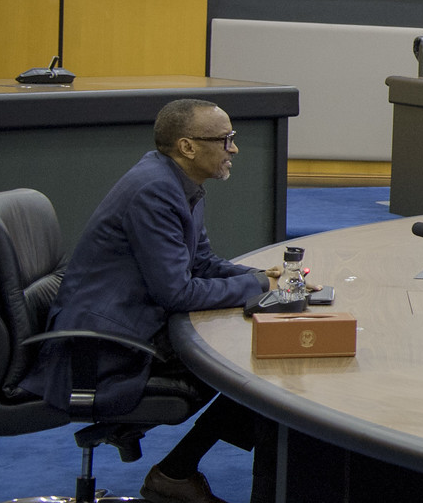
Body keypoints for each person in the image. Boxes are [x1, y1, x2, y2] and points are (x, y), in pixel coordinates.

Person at [23, 99, 305, 503]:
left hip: (130, 322)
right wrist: (257, 287)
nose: (234, 148)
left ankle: (175, 473)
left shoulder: (178, 183)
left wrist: (262, 279)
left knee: (263, 357)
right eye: (225, 139)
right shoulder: (154, 191)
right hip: (105, 346)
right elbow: (177, 292)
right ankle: (176, 473)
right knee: (261, 366)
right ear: (188, 147)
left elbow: (201, 262)